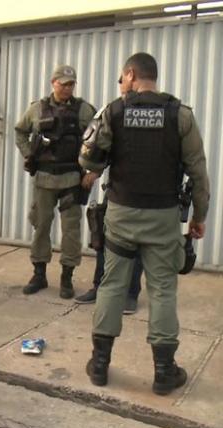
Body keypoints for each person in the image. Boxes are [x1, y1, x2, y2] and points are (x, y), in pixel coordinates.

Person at [81, 52, 209, 395]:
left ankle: (100, 365)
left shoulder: (113, 111)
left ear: (131, 73)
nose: (121, 85)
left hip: (122, 214)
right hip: (163, 218)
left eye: (122, 79)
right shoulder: (180, 115)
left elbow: (87, 156)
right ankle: (164, 372)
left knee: (111, 285)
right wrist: (199, 217)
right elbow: (198, 171)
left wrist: (102, 160)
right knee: (163, 288)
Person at [15, 65, 97, 299]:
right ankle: (39, 274)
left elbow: (98, 138)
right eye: (63, 84)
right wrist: (28, 153)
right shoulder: (37, 109)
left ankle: (66, 277)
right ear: (53, 83)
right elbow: (20, 132)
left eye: (71, 84)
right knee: (41, 226)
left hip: (72, 179)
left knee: (71, 230)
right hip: (44, 179)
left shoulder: (83, 110)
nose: (67, 88)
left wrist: (91, 168)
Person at [75, 199, 144, 315]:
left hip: (142, 197)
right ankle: (99, 287)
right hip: (117, 193)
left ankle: (131, 294)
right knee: (103, 239)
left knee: (136, 244)